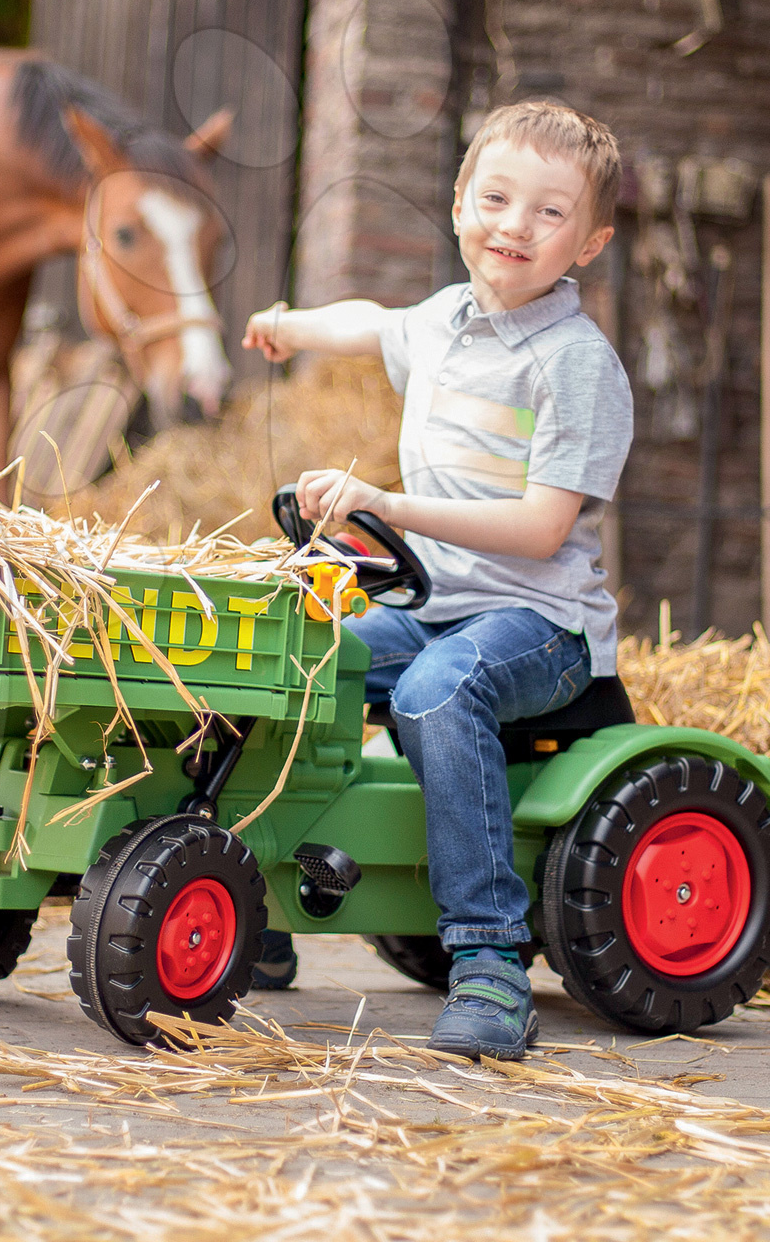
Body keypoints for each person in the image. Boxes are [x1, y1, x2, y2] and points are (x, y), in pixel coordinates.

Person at [240, 101, 632, 1060]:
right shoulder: (445, 323)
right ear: (459, 205)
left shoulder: (575, 366)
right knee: (289, 660)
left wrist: (390, 504)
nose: (515, 226)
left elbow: (544, 533)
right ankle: (256, 909)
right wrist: (289, 325)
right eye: (496, 198)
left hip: (537, 623)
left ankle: (492, 964)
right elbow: (370, 321)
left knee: (437, 689)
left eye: (550, 213)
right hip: (433, 603)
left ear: (590, 243)